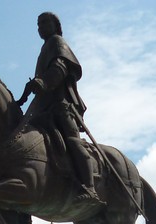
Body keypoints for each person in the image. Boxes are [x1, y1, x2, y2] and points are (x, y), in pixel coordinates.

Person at [19, 11, 99, 203]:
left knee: (72, 141)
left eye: (44, 23)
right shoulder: (45, 48)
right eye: (38, 24)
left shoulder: (56, 42)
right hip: (43, 107)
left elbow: (60, 67)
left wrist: (43, 82)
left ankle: (90, 187)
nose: (40, 27)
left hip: (61, 105)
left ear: (55, 25)